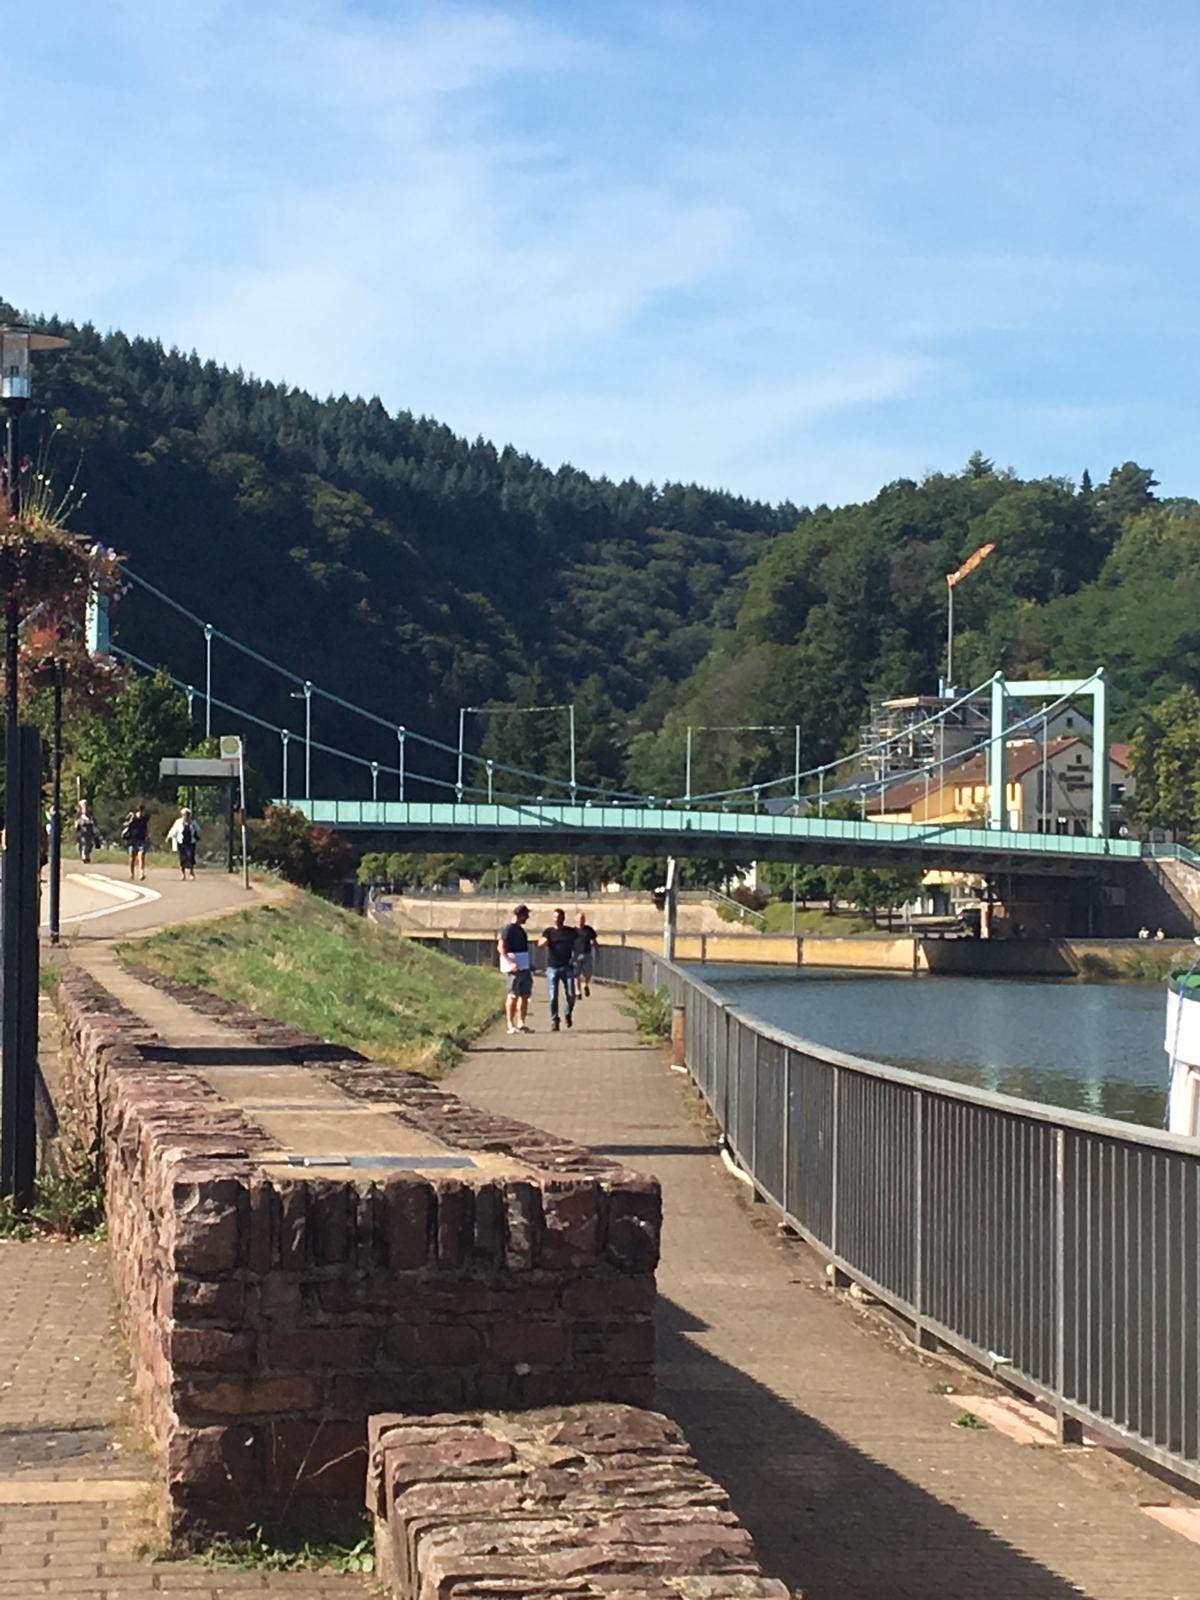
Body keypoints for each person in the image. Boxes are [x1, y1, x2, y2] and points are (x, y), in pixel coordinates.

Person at [498, 904, 534, 1035]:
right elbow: (501, 947)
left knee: (524, 995)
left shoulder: (521, 930)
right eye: (526, 915)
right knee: (513, 995)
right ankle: (510, 1024)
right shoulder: (508, 929)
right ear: (521, 915)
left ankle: (521, 1023)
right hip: (513, 967)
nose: (527, 918)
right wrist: (510, 962)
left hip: (524, 966)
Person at [540, 907, 577, 1032]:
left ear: (563, 918)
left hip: (567, 966)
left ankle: (567, 1012)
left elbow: (579, 944)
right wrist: (544, 942)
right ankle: (554, 1020)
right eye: (555, 917)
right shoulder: (549, 932)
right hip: (553, 967)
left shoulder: (570, 932)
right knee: (553, 996)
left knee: (571, 994)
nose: (557, 919)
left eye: (559, 917)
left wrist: (577, 957)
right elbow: (540, 943)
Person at [165, 807, 200, 880]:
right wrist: (168, 837)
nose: (186, 816)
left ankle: (191, 872)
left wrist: (193, 827)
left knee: (191, 857)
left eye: (187, 814)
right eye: (184, 814)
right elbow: (173, 830)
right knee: (182, 858)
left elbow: (198, 830)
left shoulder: (193, 822)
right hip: (181, 842)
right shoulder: (178, 822)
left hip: (191, 842)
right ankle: (183, 874)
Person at [573, 910, 600, 997]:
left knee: (588, 973)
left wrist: (597, 950)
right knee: (576, 974)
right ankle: (578, 992)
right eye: (580, 918)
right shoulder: (572, 931)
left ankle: (585, 984)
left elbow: (594, 940)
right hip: (575, 954)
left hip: (587, 954)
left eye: (583, 919)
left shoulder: (589, 930)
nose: (581, 920)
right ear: (576, 919)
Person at [121, 804, 150, 881]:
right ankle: (132, 873)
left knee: (141, 855)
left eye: (142, 811)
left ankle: (141, 873)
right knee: (132, 857)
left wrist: (147, 835)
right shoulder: (132, 817)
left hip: (141, 839)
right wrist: (130, 822)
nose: (141, 812)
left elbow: (146, 828)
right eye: (140, 811)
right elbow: (125, 824)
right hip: (132, 839)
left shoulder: (144, 819)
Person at [75, 800, 99, 864]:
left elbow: (94, 821)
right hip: (82, 832)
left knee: (90, 844)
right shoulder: (79, 814)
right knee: (84, 843)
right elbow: (76, 824)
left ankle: (87, 855)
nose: (85, 806)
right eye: (83, 805)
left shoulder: (90, 814)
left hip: (90, 831)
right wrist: (79, 822)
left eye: (85, 805)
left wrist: (92, 823)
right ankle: (84, 856)